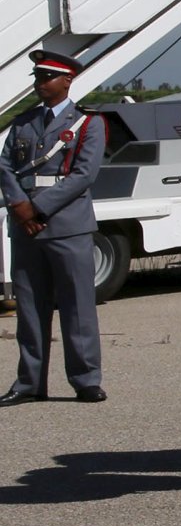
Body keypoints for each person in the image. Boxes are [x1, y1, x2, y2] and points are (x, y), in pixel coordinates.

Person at [1, 50, 109, 405]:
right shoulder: (22, 122)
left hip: (67, 224)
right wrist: (19, 207)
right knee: (30, 308)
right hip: (26, 227)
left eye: (47, 78)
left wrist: (35, 208)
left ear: (67, 80)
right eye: (37, 78)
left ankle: (85, 379)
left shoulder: (88, 124)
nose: (40, 84)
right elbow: (5, 166)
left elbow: (83, 175)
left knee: (78, 307)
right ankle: (30, 382)